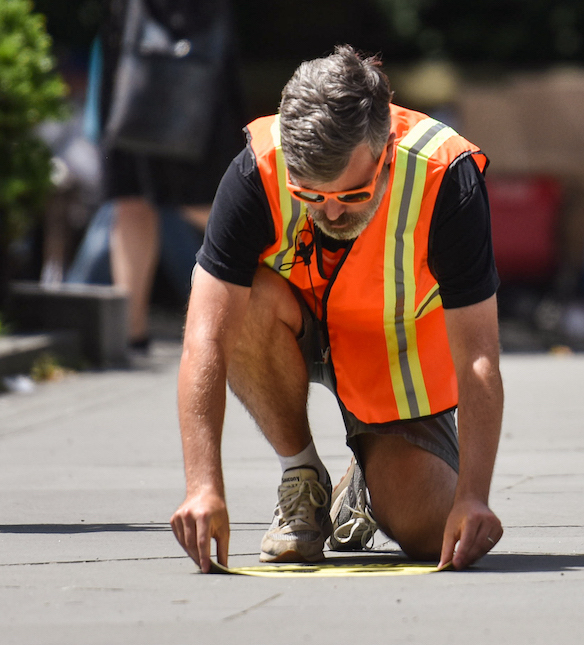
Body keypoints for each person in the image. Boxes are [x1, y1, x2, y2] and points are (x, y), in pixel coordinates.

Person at [169, 46, 504, 573]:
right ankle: (302, 476)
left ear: (385, 151)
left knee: (434, 532)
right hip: (289, 323)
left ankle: (367, 485)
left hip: (396, 351)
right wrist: (202, 486)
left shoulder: (446, 176)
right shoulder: (256, 168)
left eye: (352, 194)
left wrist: (474, 497)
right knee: (239, 300)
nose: (329, 212)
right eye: (310, 194)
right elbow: (205, 336)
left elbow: (480, 353)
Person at [97, 0, 244, 350]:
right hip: (134, 52)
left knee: (201, 199)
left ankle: (286, 280)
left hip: (194, 53)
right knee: (130, 198)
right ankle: (129, 334)